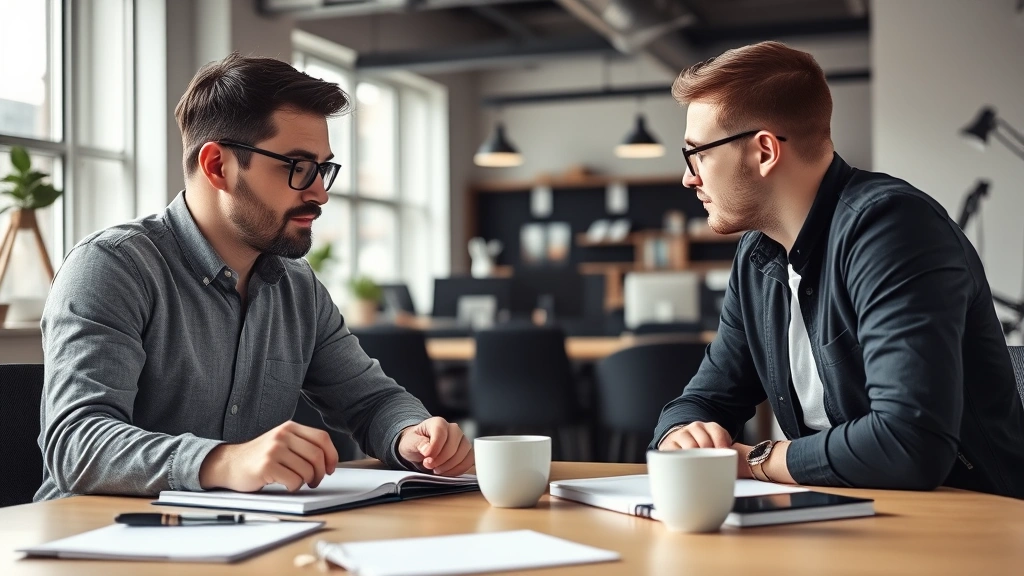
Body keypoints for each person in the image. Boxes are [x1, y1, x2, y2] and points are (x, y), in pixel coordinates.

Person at [35, 53, 473, 501]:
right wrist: (225, 461)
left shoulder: (298, 289)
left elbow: (371, 401)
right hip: (98, 544)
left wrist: (412, 436)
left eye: (323, 169)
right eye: (298, 168)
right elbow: (77, 444)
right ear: (217, 166)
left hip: (237, 537)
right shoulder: (113, 267)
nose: (320, 192)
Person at [652, 41, 1024, 498]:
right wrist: (681, 437)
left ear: (764, 151)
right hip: (840, 515)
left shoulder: (893, 229)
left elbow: (910, 442)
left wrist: (756, 460)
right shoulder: (757, 256)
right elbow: (704, 399)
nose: (690, 177)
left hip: (968, 520)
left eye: (698, 154)